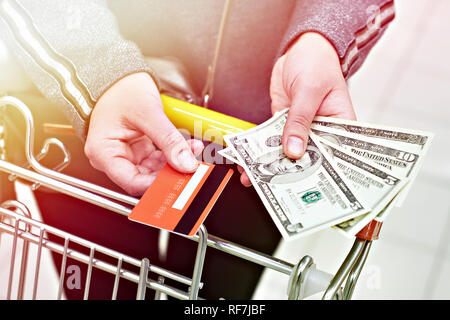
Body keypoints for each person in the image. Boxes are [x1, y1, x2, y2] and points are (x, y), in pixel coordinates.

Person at [0, 0, 395, 299]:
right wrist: (100, 75)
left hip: (254, 140)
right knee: (101, 287)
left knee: (213, 298)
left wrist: (320, 38)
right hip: (99, 123)